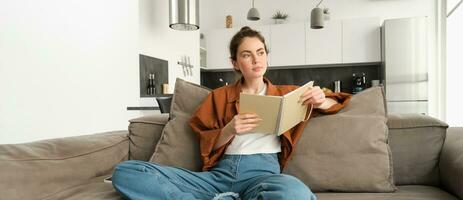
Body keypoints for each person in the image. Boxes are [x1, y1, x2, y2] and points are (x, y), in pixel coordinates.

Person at [111, 26, 352, 200]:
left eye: (260, 52)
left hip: (263, 176)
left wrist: (321, 101)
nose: (256, 60)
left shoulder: (289, 93)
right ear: (236, 63)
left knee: (295, 193)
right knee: (126, 172)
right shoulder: (219, 97)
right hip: (217, 176)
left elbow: (337, 101)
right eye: (247, 55)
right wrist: (229, 130)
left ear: (267, 55)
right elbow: (203, 136)